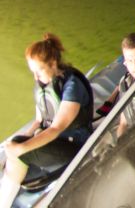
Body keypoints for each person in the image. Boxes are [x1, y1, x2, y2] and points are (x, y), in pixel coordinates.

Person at [0, 34, 94, 207]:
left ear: (53, 64)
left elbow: (56, 128)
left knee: (21, 150)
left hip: (77, 146)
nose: (35, 77)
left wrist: (21, 147)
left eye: (39, 71)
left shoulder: (72, 87)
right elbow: (39, 121)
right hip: (56, 142)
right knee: (15, 145)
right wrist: (14, 144)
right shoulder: (43, 84)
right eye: (33, 72)